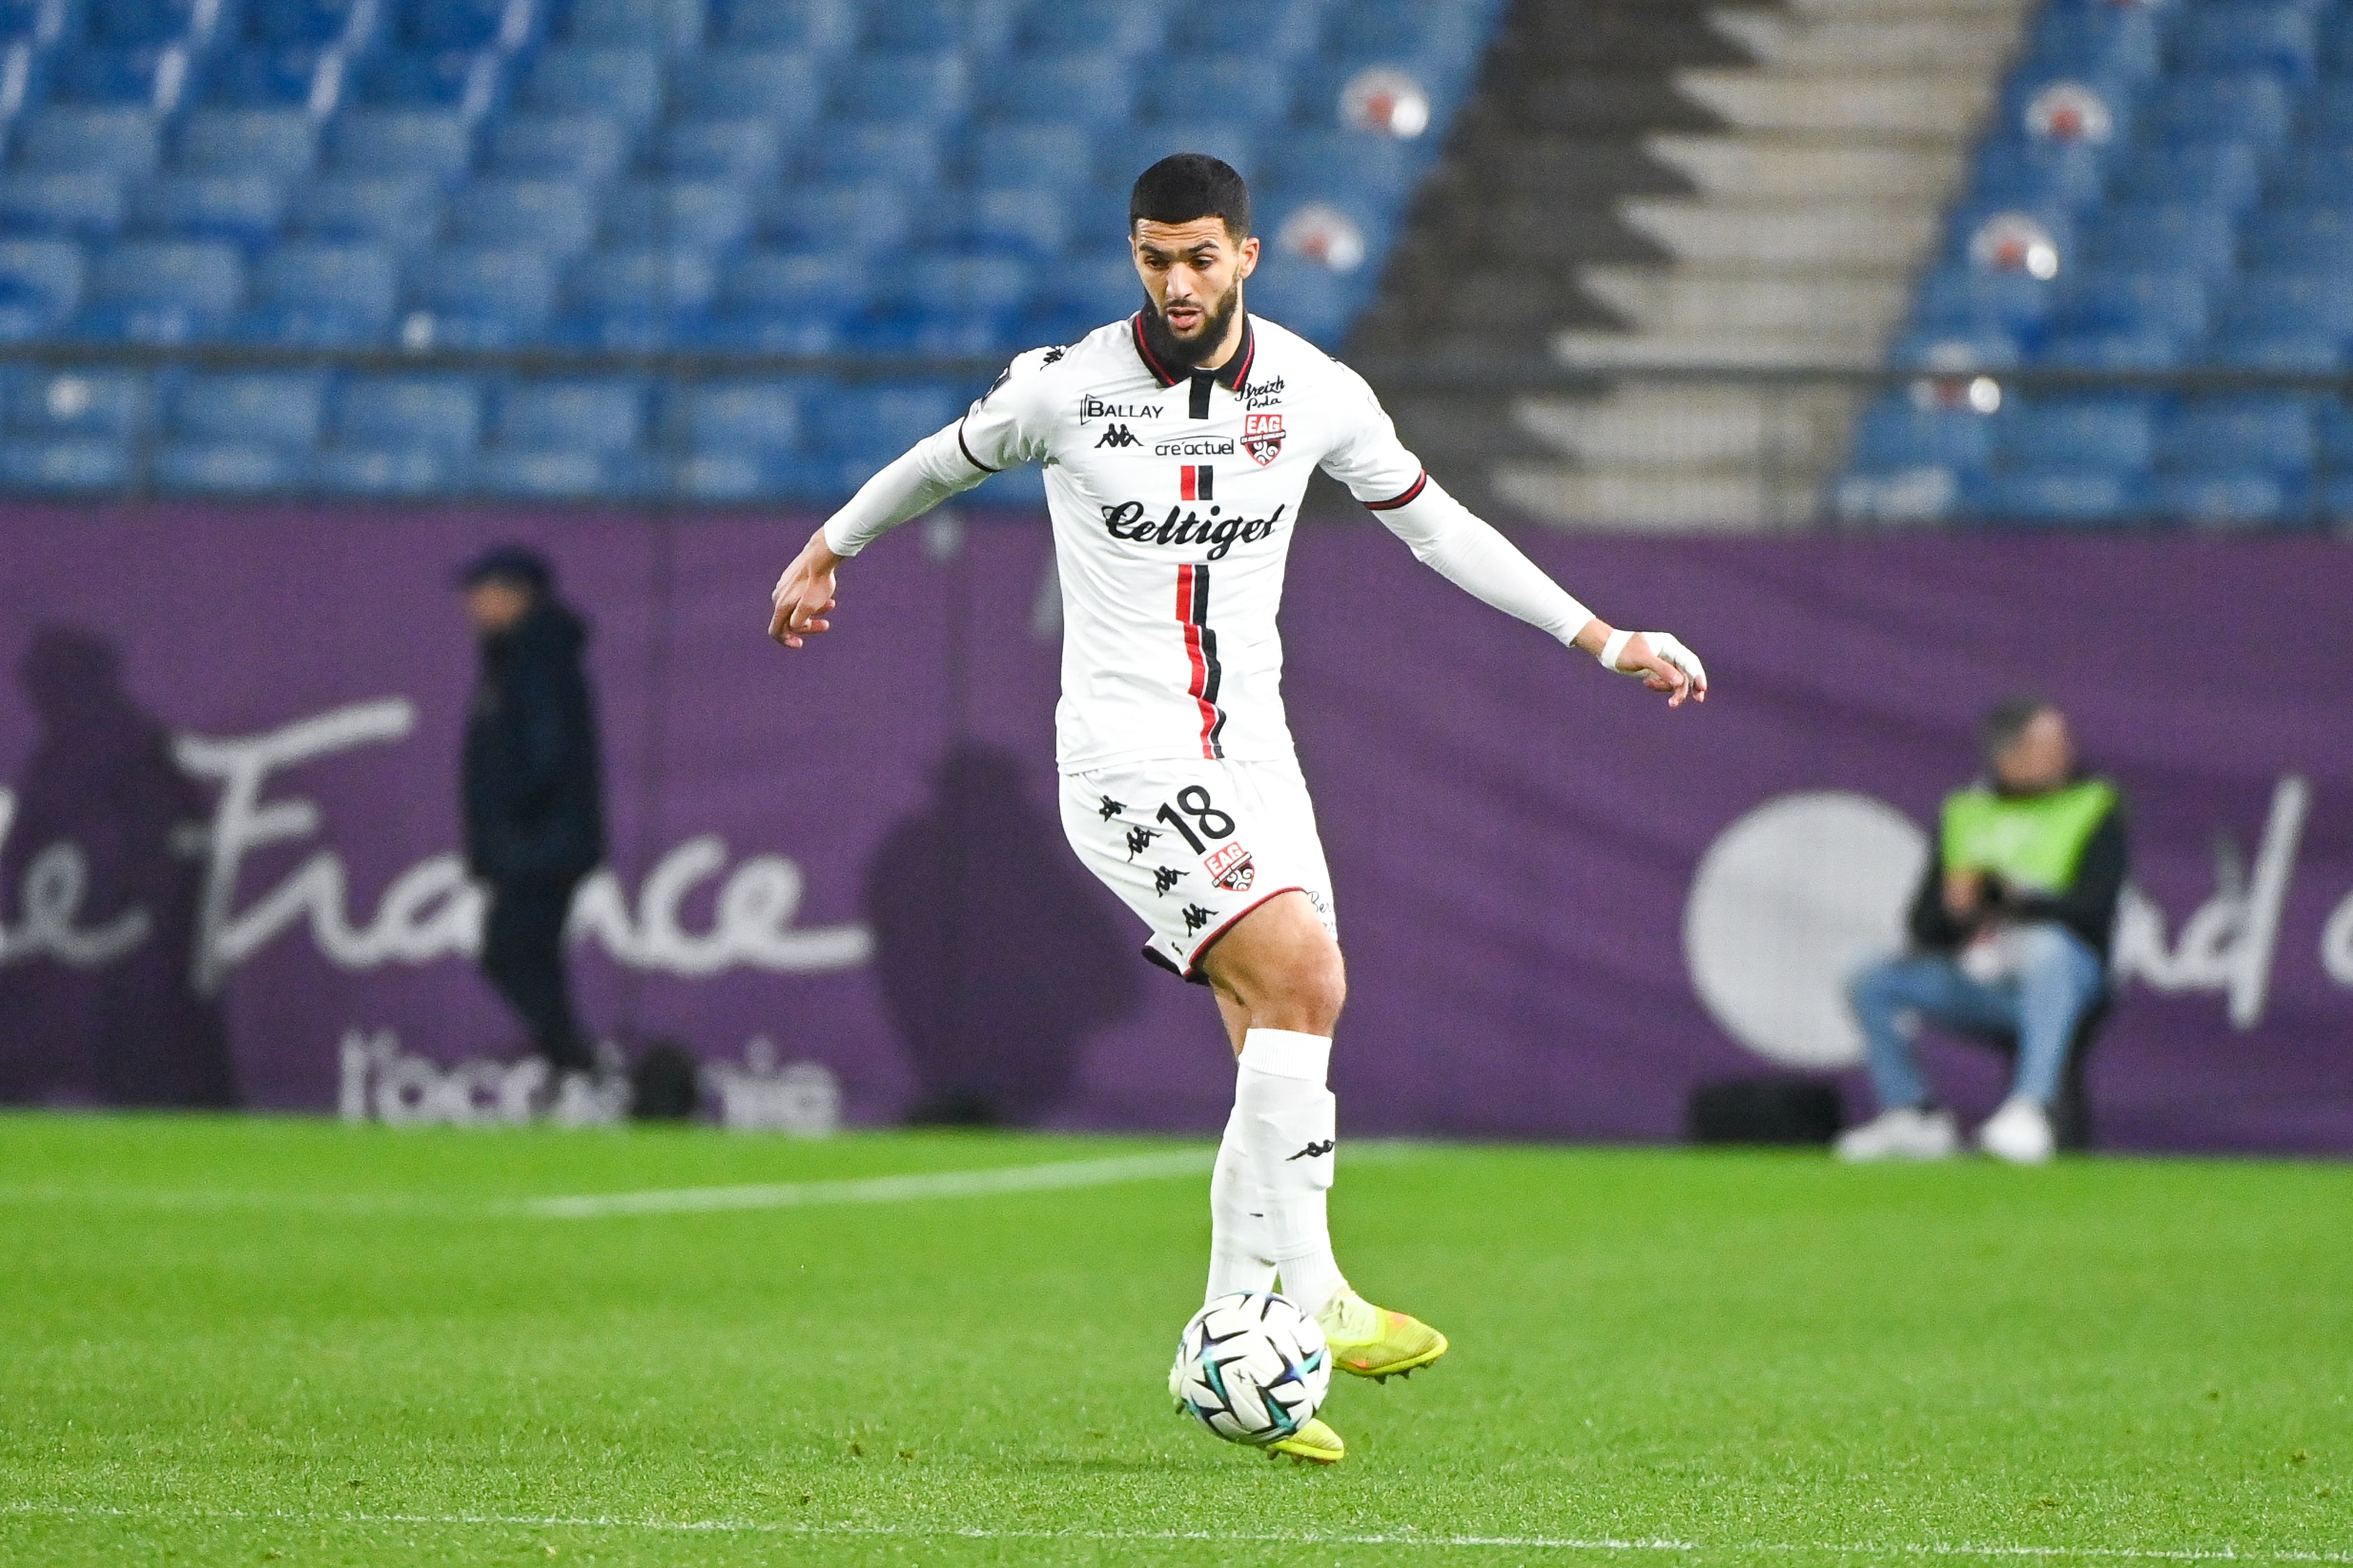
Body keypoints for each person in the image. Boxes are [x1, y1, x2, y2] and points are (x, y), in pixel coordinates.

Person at [766, 155, 1708, 1464]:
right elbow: (937, 461)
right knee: (1303, 974)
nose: (1179, 281)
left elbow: (1441, 527)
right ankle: (1313, 1289)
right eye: (1155, 258)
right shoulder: (1067, 387)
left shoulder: (1315, 393)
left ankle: (1230, 1352)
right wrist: (830, 547)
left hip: (1255, 753)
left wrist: (1602, 636)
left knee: (1278, 1016)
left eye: (1202, 257)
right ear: (1134, 258)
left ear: (1248, 256)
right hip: (1126, 759)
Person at [1838, 698, 2126, 1167]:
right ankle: (1914, 1114)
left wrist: (2017, 901)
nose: (2064, 754)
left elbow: (2096, 909)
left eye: (2062, 743)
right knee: (1869, 977)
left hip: (2065, 981)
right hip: (1980, 981)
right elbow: (1923, 925)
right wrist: (1960, 910)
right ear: (2008, 756)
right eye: (2048, 745)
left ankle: (2032, 1109)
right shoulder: (1965, 810)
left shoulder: (2093, 804)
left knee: (2049, 950)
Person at [457, 546, 605, 1086]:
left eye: (483, 591)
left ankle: (574, 1061)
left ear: (516, 594)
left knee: (511, 950)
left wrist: (507, 821)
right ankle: (570, 1064)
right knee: (530, 956)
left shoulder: (535, 658)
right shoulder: (520, 655)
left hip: (540, 845)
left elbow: (545, 753)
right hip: (539, 844)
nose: (472, 605)